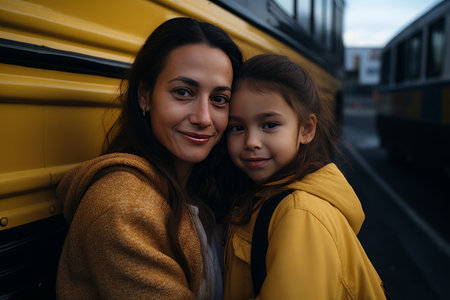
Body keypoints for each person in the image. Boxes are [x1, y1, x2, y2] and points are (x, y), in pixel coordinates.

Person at [55, 17, 242, 299]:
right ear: (145, 95)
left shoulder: (200, 190)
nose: (204, 118)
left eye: (219, 99)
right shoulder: (124, 209)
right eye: (183, 92)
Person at [223, 54, 387, 299]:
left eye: (269, 125)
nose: (251, 142)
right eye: (237, 127)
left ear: (306, 129)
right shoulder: (264, 195)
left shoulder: (300, 214)